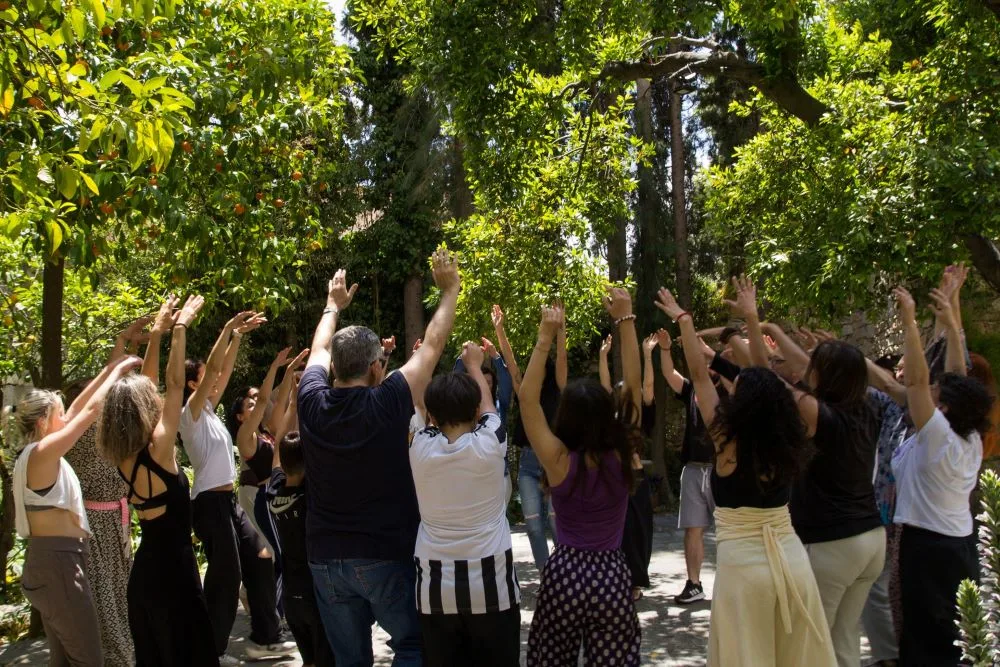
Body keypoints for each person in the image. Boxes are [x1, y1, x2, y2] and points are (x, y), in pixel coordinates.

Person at [655, 285, 835, 667]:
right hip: (792, 562)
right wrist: (751, 319)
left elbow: (699, 377)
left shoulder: (727, 442)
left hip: (744, 572)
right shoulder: (790, 437)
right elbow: (769, 378)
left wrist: (684, 320)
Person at [298, 251, 460, 665]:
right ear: (375, 367)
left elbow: (318, 347)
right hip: (384, 553)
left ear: (335, 367)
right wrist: (450, 290)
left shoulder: (311, 400)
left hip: (325, 557)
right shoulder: (386, 402)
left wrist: (332, 305)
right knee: (413, 646)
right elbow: (433, 346)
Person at [725, 275, 884, 667]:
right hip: (871, 539)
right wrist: (767, 326)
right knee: (843, 640)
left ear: (827, 375)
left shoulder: (819, 414)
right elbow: (799, 366)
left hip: (833, 543)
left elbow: (764, 377)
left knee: (808, 642)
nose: (807, 366)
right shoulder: (867, 406)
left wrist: (752, 318)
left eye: (817, 364)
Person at [98, 294, 219, 667]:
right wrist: (179, 328)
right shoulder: (160, 451)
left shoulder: (124, 456)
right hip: (175, 576)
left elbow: (148, 385)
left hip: (144, 579)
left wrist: (156, 334)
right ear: (142, 410)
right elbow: (174, 382)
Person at [523, 292, 641, 666]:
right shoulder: (622, 455)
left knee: (550, 659)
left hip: (565, 573)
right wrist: (625, 320)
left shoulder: (559, 461)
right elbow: (633, 388)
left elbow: (527, 401)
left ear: (567, 417)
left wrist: (545, 337)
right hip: (611, 574)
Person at [13, 353, 141, 667]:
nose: (68, 419)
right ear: (43, 422)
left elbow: (79, 410)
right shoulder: (42, 452)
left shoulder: (40, 453)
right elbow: (91, 410)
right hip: (58, 562)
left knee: (66, 660)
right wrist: (117, 373)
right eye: (60, 415)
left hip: (56, 560)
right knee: (89, 658)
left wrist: (109, 368)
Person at [181, 311, 295, 663]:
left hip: (228, 501)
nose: (215, 380)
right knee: (226, 577)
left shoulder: (209, 411)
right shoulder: (190, 413)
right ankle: (210, 651)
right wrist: (228, 328)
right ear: (193, 384)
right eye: (205, 378)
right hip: (208, 504)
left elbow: (223, 370)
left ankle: (265, 638)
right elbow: (217, 369)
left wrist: (238, 338)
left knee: (261, 556)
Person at [891, 284, 992, 664]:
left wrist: (910, 323)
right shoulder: (970, 436)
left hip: (927, 547)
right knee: (955, 635)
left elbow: (916, 381)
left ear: (945, 407)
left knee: (925, 639)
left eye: (938, 390)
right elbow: (957, 376)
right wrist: (950, 322)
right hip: (960, 545)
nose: (931, 387)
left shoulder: (937, 438)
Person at [63, 313, 166, 667]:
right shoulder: (76, 439)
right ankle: (120, 659)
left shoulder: (103, 435)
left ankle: (127, 655)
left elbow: (121, 393)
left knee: (122, 599)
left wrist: (124, 346)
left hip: (115, 526)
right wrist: (123, 352)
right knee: (107, 603)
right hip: (94, 529)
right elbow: (101, 396)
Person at [411, 341, 520, 666]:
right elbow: (489, 411)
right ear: (473, 411)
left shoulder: (419, 448)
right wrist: (474, 364)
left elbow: (418, 403)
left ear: (432, 415)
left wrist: (422, 360)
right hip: (493, 586)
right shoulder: (491, 443)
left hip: (434, 589)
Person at [228, 347, 309, 618]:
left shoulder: (266, 432)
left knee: (280, 552)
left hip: (274, 496)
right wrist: (276, 366)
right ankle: (274, 613)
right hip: (261, 497)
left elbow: (283, 406)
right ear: (240, 417)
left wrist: (290, 374)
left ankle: (272, 608)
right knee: (277, 553)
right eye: (249, 406)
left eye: (255, 404)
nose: (256, 406)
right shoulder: (246, 437)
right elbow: (264, 399)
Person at [492, 303, 563, 572]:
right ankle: (547, 578)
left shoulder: (557, 387)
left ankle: (564, 572)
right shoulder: (523, 390)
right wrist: (500, 331)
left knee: (557, 523)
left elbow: (562, 357)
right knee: (533, 527)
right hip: (529, 464)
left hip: (554, 463)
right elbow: (510, 363)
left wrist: (560, 330)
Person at [268, 428, 336, 667]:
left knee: (308, 661)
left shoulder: (273, 494)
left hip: (291, 596)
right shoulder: (310, 496)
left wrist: (292, 411)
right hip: (314, 594)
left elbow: (277, 457)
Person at [453, 334, 514, 503]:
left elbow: (506, 384)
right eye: (479, 381)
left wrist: (495, 356)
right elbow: (454, 383)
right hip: (468, 473)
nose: (483, 385)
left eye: (488, 382)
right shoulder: (464, 407)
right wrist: (464, 358)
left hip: (499, 474)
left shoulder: (499, 404)